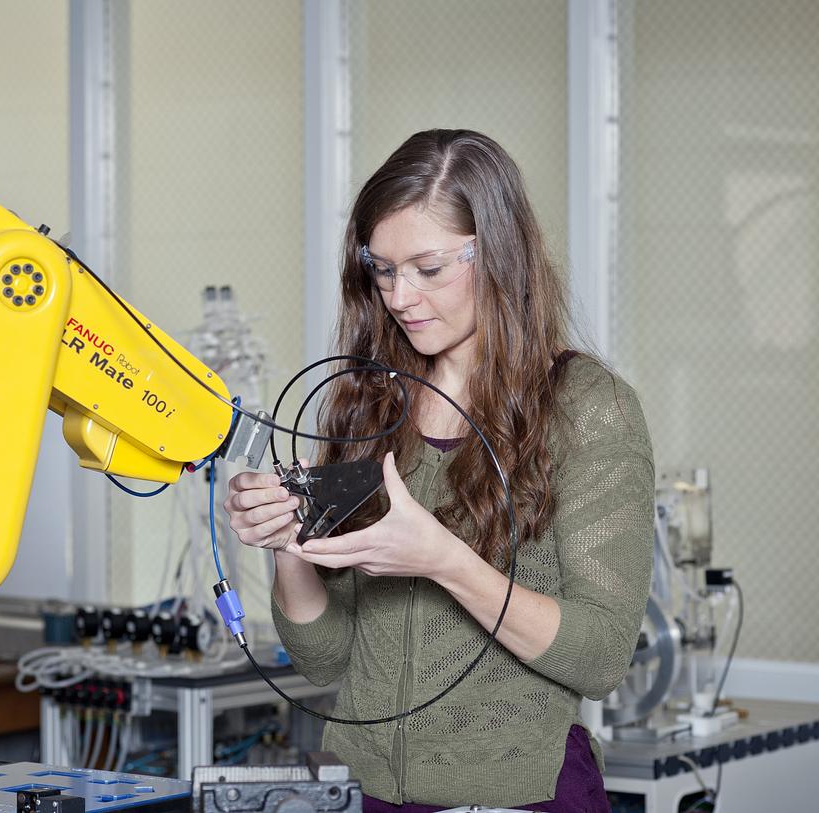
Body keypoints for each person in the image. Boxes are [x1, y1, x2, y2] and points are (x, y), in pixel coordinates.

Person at [222, 129, 653, 812]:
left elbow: (601, 656)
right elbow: (327, 659)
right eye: (382, 268)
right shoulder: (369, 401)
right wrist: (289, 546)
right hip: (370, 794)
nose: (399, 295)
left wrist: (445, 560)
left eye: (428, 268)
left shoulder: (588, 410)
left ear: (499, 254)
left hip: (524, 794)